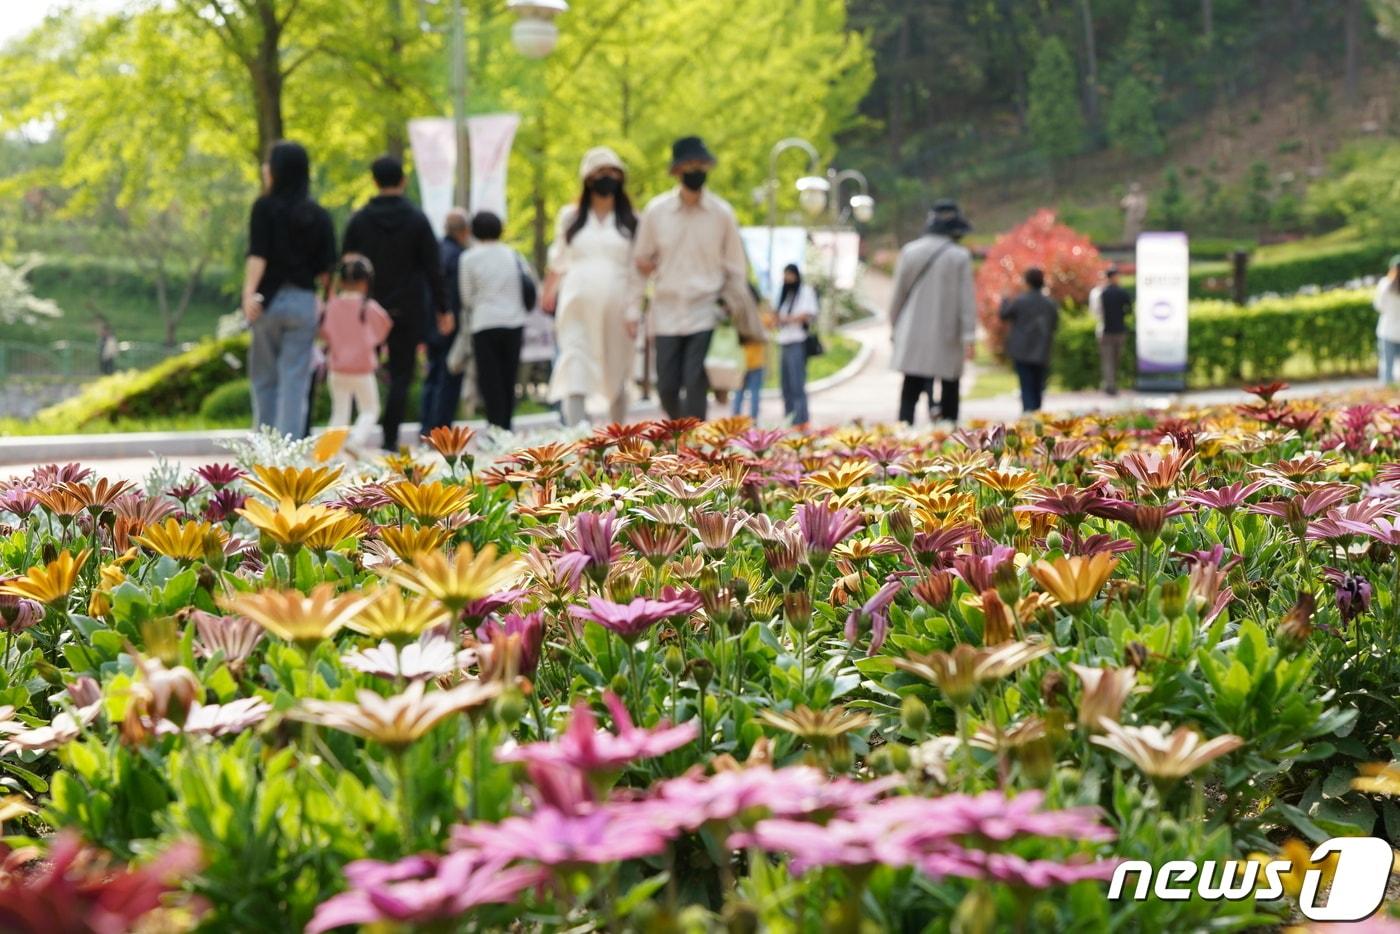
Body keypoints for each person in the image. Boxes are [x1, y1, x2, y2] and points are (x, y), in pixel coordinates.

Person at [632, 135, 761, 420]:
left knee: (695, 382)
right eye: (689, 165)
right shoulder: (656, 212)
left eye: (700, 164)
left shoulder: (722, 213)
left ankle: (693, 451)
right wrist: (635, 302)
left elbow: (736, 267)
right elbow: (640, 258)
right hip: (666, 310)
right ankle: (683, 432)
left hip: (706, 310)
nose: (695, 171)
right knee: (666, 387)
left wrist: (731, 304)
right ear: (677, 170)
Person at [341, 155, 449, 450]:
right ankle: (390, 439)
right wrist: (443, 309)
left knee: (360, 370)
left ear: (374, 181)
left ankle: (354, 434)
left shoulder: (359, 219)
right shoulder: (417, 219)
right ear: (402, 181)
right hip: (409, 307)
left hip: (366, 308)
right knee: (401, 374)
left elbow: (345, 263)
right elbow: (433, 267)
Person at [241, 140, 337, 439]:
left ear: (276, 170)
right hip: (303, 302)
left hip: (266, 302)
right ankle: (289, 455)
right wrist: (324, 305)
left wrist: (248, 294)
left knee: (264, 377)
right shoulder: (319, 215)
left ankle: (265, 449)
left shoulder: (264, 207)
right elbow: (327, 272)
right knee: (295, 381)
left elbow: (258, 256)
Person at [543, 147, 638, 426]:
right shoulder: (570, 217)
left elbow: (637, 271)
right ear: (587, 178)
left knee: (617, 369)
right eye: (600, 173)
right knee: (575, 364)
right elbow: (558, 259)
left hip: (618, 308)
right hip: (576, 305)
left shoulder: (632, 221)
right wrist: (548, 291)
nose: (606, 178)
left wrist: (635, 309)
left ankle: (618, 438)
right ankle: (575, 439)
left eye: (612, 173)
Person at [889, 200, 976, 426]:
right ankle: (948, 438)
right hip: (947, 332)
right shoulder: (959, 256)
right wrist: (969, 337)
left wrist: (894, 326)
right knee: (950, 387)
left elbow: (897, 296)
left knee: (911, 387)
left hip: (913, 330)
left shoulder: (910, 251)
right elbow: (966, 301)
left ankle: (904, 433)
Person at [449, 211, 530, 431]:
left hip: (483, 323)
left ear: (473, 231)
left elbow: (466, 298)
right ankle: (507, 426)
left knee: (489, 380)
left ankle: (495, 428)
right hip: (514, 323)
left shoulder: (468, 258)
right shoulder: (513, 254)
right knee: (508, 378)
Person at [319, 254, 393, 452]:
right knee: (370, 409)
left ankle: (327, 455)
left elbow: (323, 332)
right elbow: (384, 326)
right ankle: (356, 441)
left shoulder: (332, 306)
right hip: (362, 368)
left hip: (337, 368)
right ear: (365, 282)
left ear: (341, 281)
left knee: (339, 413)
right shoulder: (368, 307)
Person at [421, 208, 470, 434]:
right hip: (450, 322)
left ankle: (426, 426)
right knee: (448, 375)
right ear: (464, 231)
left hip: (430, 321)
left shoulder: (434, 251)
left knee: (431, 375)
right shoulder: (461, 256)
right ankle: (440, 429)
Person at [999, 267, 1060, 414]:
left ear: (1027, 282)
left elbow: (1004, 314)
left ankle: (1028, 414)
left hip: (1022, 350)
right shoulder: (1049, 303)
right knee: (1038, 386)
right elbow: (1055, 325)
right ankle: (1037, 413)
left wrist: (1005, 298)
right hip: (1042, 349)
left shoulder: (1020, 301)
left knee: (1026, 384)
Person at [775, 263, 818, 425]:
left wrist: (788, 319)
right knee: (785, 385)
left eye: (790, 275)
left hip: (798, 342)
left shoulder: (805, 291)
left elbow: (808, 314)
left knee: (797, 384)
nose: (788, 278)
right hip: (784, 341)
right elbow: (778, 314)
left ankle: (801, 421)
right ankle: (789, 419)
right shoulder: (785, 294)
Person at [1091, 265, 1133, 395]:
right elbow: (1129, 309)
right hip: (1119, 330)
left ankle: (1110, 384)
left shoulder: (1101, 293)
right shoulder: (1122, 292)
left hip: (1106, 330)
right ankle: (1112, 384)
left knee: (1107, 360)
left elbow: (1096, 312)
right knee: (1115, 359)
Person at [732, 283, 771, 421]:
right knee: (755, 394)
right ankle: (753, 422)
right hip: (757, 361)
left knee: (738, 393)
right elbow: (768, 331)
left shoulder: (739, 315)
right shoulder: (761, 315)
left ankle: (734, 423)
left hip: (741, 360)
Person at [1377, 255, 1400, 385]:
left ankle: (1386, 396)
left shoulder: (1385, 284)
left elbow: (1379, 306)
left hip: (1387, 331)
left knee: (1387, 367)